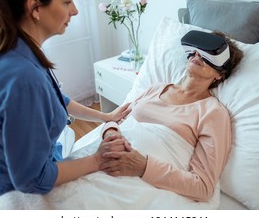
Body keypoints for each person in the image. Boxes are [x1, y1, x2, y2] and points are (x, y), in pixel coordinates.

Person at [0, 0, 130, 201]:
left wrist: (105, 116)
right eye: (67, 1)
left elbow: (56, 98)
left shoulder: (14, 46)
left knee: (67, 135)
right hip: (4, 185)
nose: (74, 10)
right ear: (35, 7)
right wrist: (98, 159)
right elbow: (32, 179)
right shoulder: (23, 78)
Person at [99, 30, 244, 202]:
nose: (198, 54)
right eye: (196, 50)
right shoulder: (156, 88)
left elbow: (203, 187)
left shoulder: (213, 113)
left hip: (139, 181)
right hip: (105, 156)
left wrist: (142, 167)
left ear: (219, 74)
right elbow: (116, 120)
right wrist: (110, 133)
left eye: (209, 53)